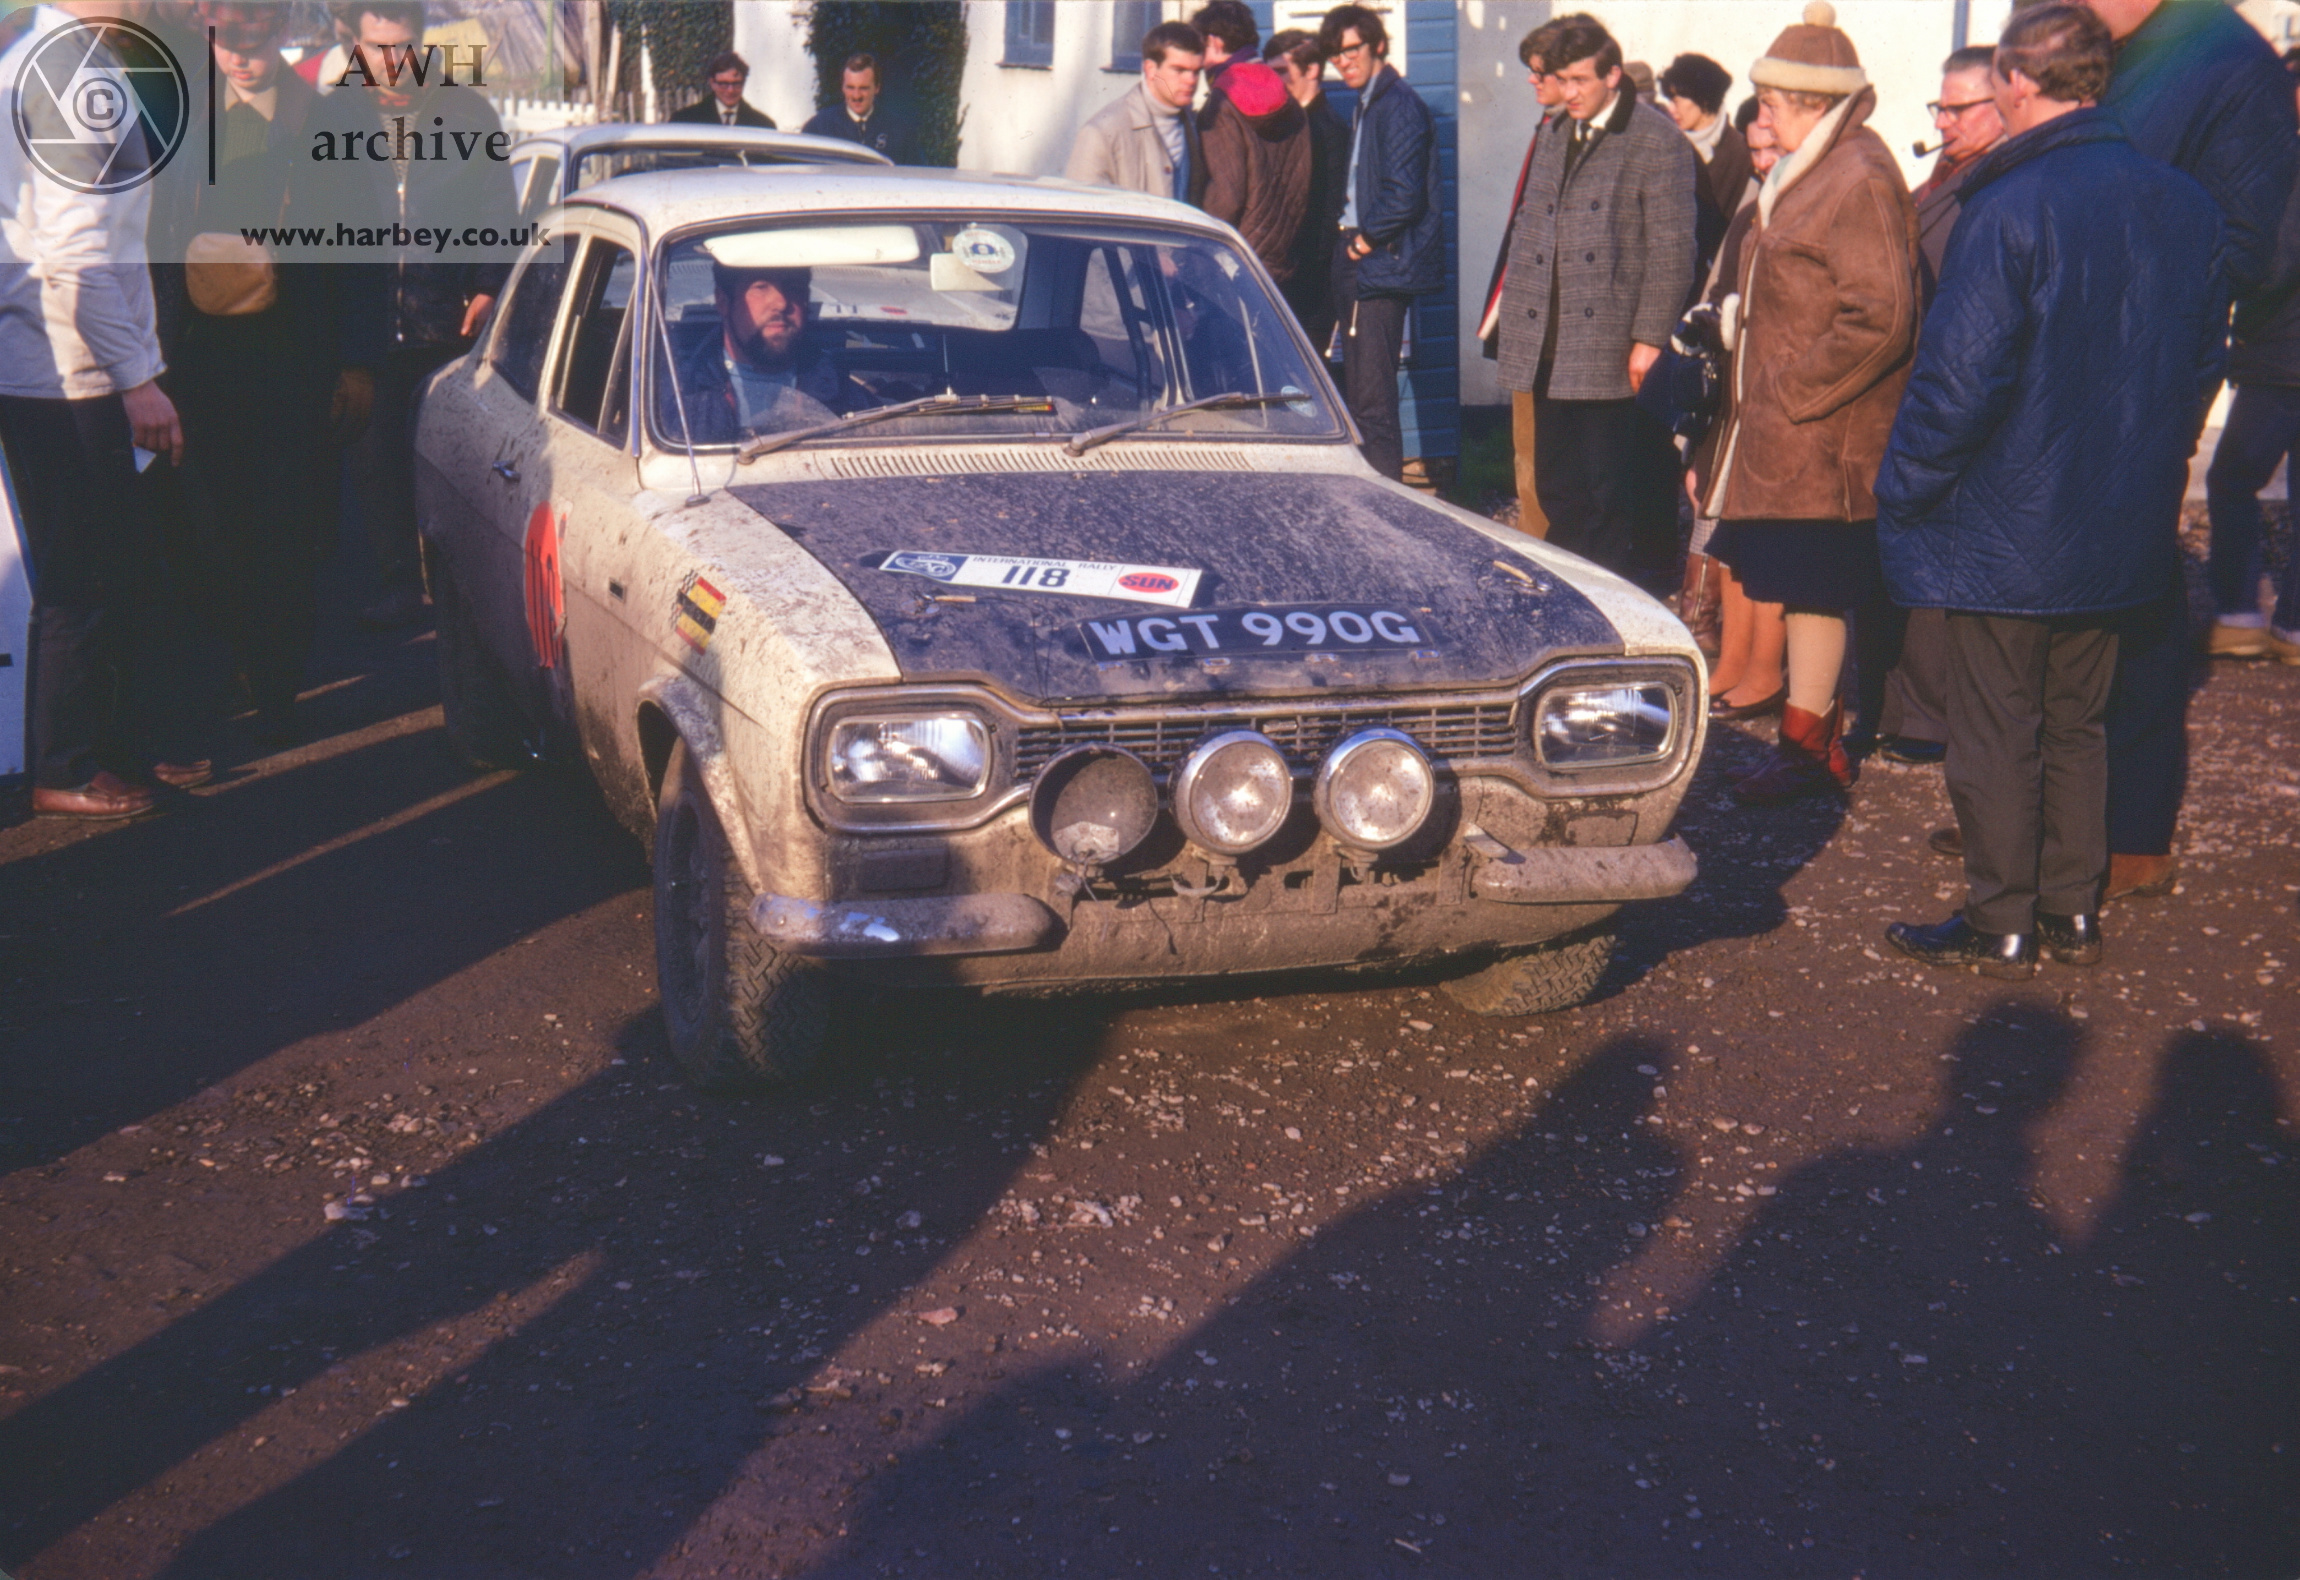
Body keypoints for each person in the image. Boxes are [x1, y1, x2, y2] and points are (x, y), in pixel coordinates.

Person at [1880, 3, 2225, 978]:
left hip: (2008, 519)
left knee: (1997, 724)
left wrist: (1902, 486)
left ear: (2015, 84)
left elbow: (1955, 383)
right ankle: (2069, 910)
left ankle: (2000, 916)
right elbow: (2200, 364)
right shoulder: (2182, 203)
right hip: (2117, 514)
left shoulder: (2008, 206)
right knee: (2076, 718)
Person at [2079, 0, 2299, 904]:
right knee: (2065, 592)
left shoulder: (2219, 54)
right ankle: (2050, 821)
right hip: (2088, 352)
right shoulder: (2120, 45)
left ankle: (2131, 831)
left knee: (2136, 589)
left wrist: (2151, 308)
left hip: (2149, 361)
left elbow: (2254, 246)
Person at [1693, 1, 1918, 805]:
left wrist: (1791, 391)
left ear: (1815, 105)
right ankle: (1808, 739)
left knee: (1817, 586)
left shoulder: (1854, 178)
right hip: (1790, 438)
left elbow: (1883, 315)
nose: (1762, 116)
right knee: (1803, 588)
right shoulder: (1813, 169)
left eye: (1775, 104)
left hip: (1825, 440)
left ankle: (1808, 747)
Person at [157, 1, 384, 745]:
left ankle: (278, 680)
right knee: (207, 522)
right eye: (224, 39)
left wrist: (357, 362)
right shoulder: (180, 119)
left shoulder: (331, 123)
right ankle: (225, 666)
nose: (238, 56)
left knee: (290, 524)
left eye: (251, 36)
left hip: (295, 359)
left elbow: (361, 251)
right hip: (197, 361)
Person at [1, 0, 198, 817]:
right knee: (84, 574)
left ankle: (104, 750)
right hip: (69, 369)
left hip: (46, 361)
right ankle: (67, 768)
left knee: (96, 568)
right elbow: (79, 256)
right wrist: (136, 378)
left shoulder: (42, 57)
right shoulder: (73, 71)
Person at [313, 0, 515, 632]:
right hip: (365, 329)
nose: (390, 65)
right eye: (376, 51)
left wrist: (485, 285)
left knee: (446, 461)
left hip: (443, 327)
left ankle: (453, 583)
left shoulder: (468, 113)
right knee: (374, 466)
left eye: (402, 49)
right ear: (355, 48)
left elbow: (498, 214)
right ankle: (398, 584)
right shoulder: (332, 117)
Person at [1493, 11, 1695, 582]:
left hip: (1610, 346)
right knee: (1559, 485)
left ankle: (1621, 599)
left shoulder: (1657, 140)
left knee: (1613, 489)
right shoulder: (1557, 131)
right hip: (1548, 343)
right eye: (1564, 79)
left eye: (1581, 80)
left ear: (1612, 75)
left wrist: (1649, 339)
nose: (1570, 91)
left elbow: (1671, 251)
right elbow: (1532, 235)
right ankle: (1575, 592)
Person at [1865, 45, 2007, 772]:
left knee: (1940, 566)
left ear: (2004, 102)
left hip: (1956, 395)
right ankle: (1908, 706)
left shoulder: (1995, 186)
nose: (1944, 121)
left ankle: (1931, 716)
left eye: (1960, 108)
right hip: (1916, 390)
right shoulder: (1944, 177)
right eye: (1940, 107)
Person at [2203, 48, 2300, 667]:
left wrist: (2226, 278)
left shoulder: (2286, 162)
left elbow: (2277, 261)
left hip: (2281, 355)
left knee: (2231, 477)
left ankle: (2239, 612)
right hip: (2282, 353)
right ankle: (2293, 626)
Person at [1320, 3, 1444, 484]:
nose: (1345, 61)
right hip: (1363, 259)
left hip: (1375, 265)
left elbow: (1403, 195)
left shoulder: (1398, 105)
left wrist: (1362, 244)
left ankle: (1387, 508)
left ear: (1377, 46)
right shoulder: (1369, 103)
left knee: (1371, 401)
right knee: (1361, 392)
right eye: (1337, 55)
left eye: (1353, 49)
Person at [1694, 97, 1788, 715]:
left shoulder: (1790, 207)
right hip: (1733, 392)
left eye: (1771, 149)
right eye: (1753, 151)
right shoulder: (1755, 205)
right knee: (1726, 531)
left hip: (1772, 392)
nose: (1760, 163)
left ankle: (1765, 668)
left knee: (1767, 543)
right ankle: (1733, 658)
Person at [1479, 18, 1568, 537]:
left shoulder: (1568, 135)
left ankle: (1546, 549)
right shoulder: (1547, 129)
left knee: (1545, 457)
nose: (1532, 83)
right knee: (1526, 447)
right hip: (1526, 318)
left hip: (1553, 329)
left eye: (1541, 73)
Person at [1189, 3, 1310, 285]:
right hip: (1283, 259)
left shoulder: (1221, 105)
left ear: (1214, 43)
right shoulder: (1291, 101)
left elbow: (1226, 197)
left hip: (1235, 263)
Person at [673, 262, 853, 445]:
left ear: (806, 299)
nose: (781, 303)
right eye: (761, 287)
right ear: (723, 301)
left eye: (793, 287)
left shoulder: (847, 396)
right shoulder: (676, 398)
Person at [1264, 28, 1348, 357]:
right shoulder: (1285, 125)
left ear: (1312, 70)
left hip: (1309, 288)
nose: (1275, 82)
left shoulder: (1329, 131)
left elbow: (1329, 218)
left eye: (1282, 72)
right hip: (1284, 281)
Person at [1065, 20, 1207, 205]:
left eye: (1196, 72)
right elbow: (1081, 215)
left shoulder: (1196, 126)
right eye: (1179, 70)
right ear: (1150, 69)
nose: (1190, 80)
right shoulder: (1102, 133)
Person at [1658, 53, 1752, 282]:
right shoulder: (1665, 144)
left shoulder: (1739, 154)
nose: (1671, 108)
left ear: (1704, 99)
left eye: (1677, 99)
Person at [801, 52, 913, 164]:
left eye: (863, 88)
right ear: (842, 88)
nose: (856, 96)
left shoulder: (899, 130)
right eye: (850, 87)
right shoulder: (818, 127)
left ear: (877, 88)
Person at [669, 50, 775, 128]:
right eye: (724, 84)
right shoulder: (684, 121)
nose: (730, 90)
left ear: (744, 83)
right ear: (712, 83)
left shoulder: (763, 125)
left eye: (736, 84)